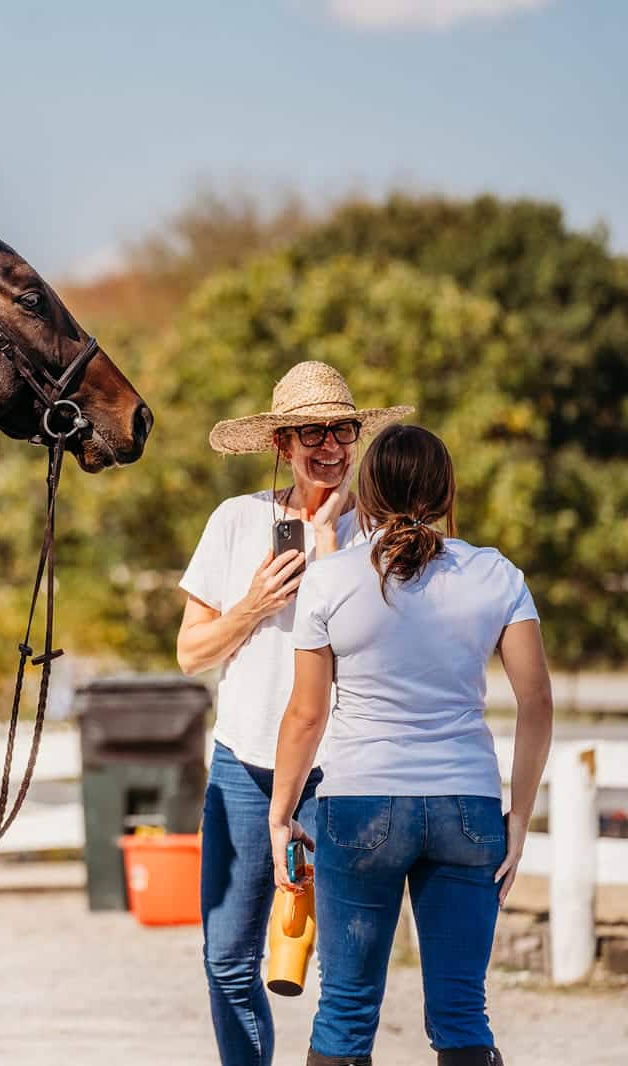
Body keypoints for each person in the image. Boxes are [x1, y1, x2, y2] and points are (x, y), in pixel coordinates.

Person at [269, 424, 553, 1066]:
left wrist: (281, 813)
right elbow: (536, 702)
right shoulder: (496, 575)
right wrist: (520, 819)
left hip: (360, 805)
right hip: (467, 808)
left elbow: (306, 714)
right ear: (446, 492)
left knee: (344, 1009)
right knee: (461, 1012)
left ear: (365, 492)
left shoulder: (331, 579)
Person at [176, 361, 412, 1066]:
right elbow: (191, 652)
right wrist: (253, 604)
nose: (331, 446)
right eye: (312, 432)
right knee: (228, 959)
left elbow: (393, 653)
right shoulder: (236, 521)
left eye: (342, 429)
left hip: (343, 773)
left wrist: (337, 553)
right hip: (245, 769)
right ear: (282, 443)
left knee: (343, 969)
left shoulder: (384, 534)